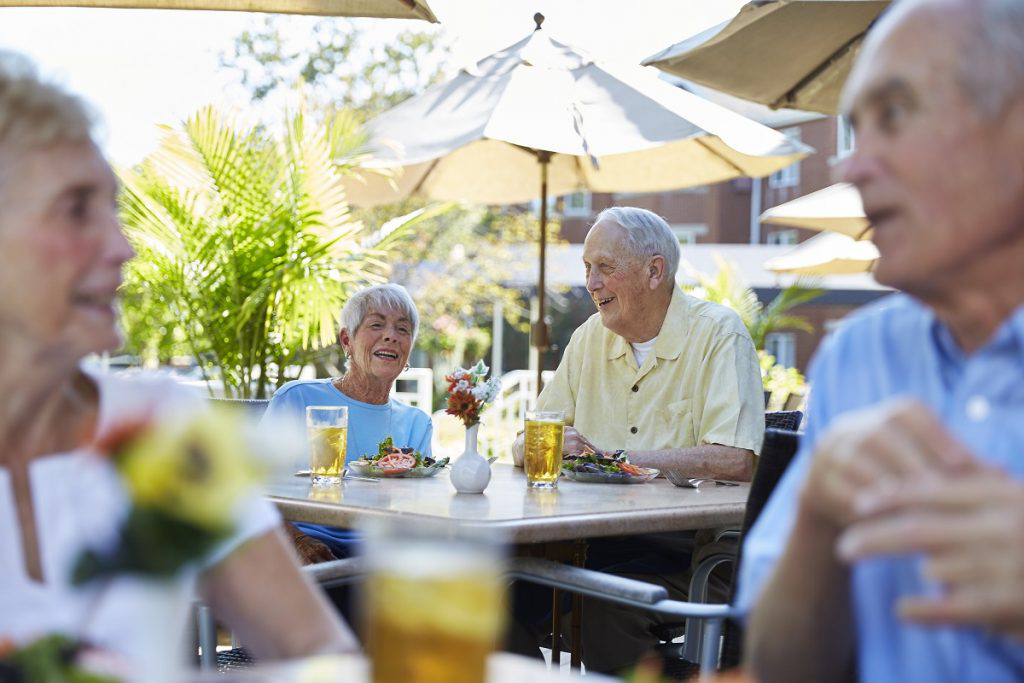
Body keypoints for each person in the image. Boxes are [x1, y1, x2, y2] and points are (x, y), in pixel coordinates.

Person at [0, 51, 357, 674]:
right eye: (76, 208)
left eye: (112, 209)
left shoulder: (160, 429)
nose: (122, 246)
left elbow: (314, 652)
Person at [738, 1, 1024, 681]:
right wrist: (815, 522)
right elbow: (775, 668)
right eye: (852, 129)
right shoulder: (857, 359)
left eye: (893, 115)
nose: (851, 166)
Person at [510, 206, 765, 673]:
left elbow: (738, 460)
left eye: (605, 267)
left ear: (654, 271)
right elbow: (530, 438)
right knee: (494, 601)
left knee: (606, 607)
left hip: (688, 552)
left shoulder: (718, 334)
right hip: (587, 543)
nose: (591, 283)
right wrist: (543, 446)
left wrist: (617, 460)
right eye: (588, 268)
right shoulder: (589, 338)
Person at [263, 283, 432, 561]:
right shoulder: (299, 398)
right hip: (304, 549)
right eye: (376, 325)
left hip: (381, 556)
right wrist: (298, 541)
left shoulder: (416, 423)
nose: (390, 336)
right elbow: (250, 493)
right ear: (346, 341)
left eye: (402, 329)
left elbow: (417, 512)